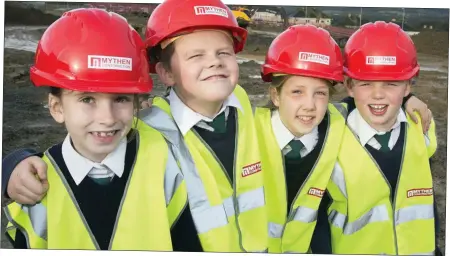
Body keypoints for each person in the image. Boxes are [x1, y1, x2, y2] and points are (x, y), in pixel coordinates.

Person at [2, 0, 267, 253]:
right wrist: (13, 165)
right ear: (165, 72)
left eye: (224, 52)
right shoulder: (152, 133)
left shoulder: (242, 102)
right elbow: (89, 157)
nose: (107, 117)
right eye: (196, 55)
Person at [2, 8, 186, 250]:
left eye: (120, 99)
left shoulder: (163, 163)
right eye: (88, 99)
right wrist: (9, 168)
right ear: (57, 108)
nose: (107, 118)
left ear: (137, 103)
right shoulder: (36, 187)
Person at [322, 21, 441, 255]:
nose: (378, 94)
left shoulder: (422, 128)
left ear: (408, 87)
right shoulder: (330, 135)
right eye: (365, 83)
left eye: (391, 83)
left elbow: (424, 200)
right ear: (349, 85)